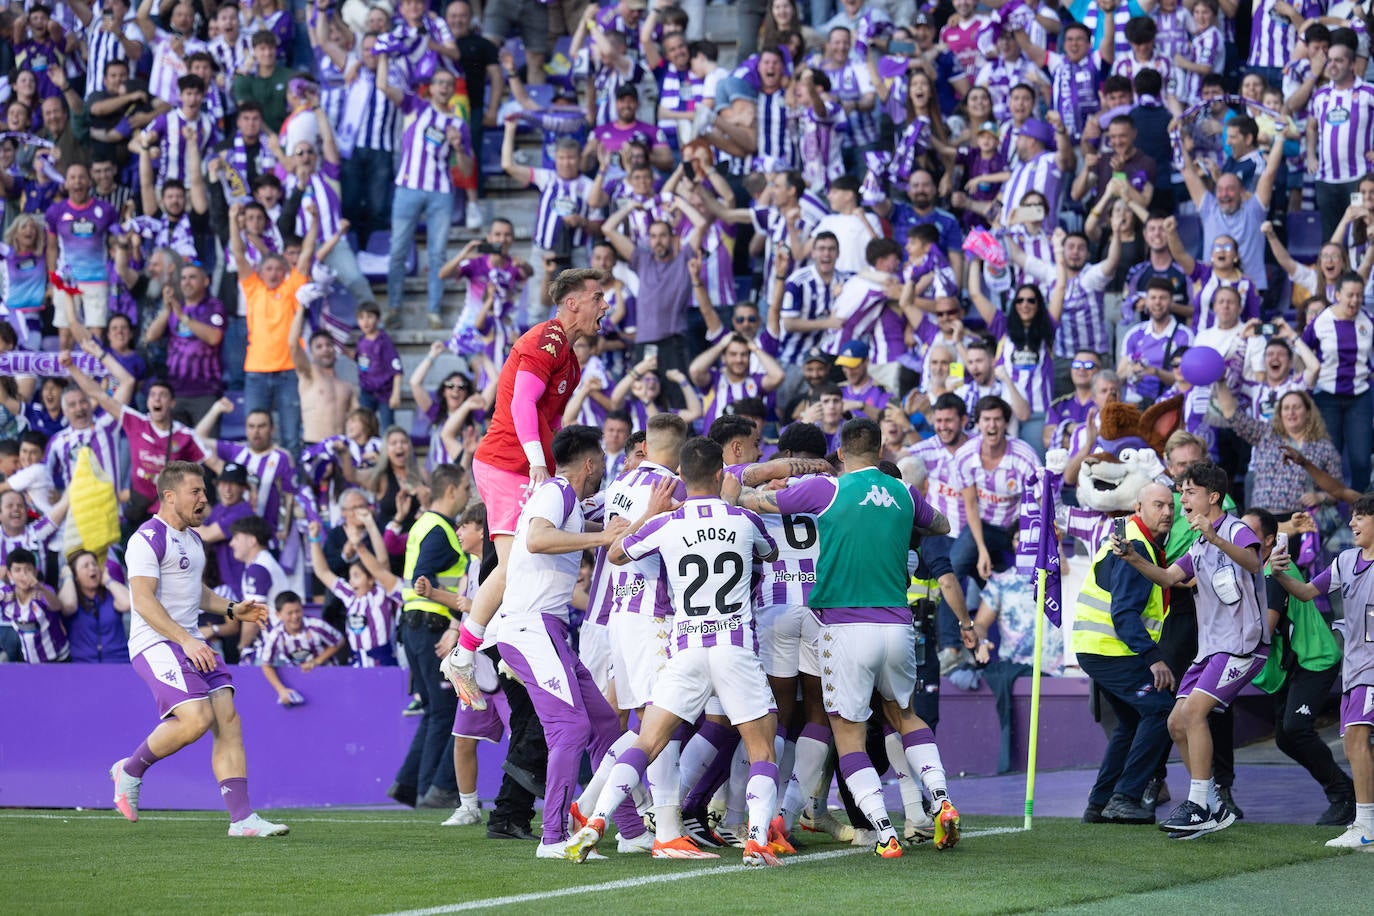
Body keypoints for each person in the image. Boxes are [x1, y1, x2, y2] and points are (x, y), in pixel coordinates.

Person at [739, 418, 972, 857]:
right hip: (898, 625)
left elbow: (762, 502)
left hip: (845, 626)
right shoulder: (903, 492)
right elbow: (940, 524)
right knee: (905, 716)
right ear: (881, 450)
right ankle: (940, 800)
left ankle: (883, 831)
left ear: (841, 453)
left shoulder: (829, 489)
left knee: (847, 732)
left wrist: (750, 490)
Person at [566, 435, 786, 867]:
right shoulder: (745, 521)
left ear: (681, 476)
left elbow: (614, 553)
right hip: (734, 647)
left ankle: (596, 821)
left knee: (647, 740)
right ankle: (757, 839)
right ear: (721, 473)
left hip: (685, 648)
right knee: (761, 749)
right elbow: (770, 553)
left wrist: (651, 516)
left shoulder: (666, 523)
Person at [447, 270, 609, 706]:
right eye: (597, 298)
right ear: (571, 302)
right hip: (507, 463)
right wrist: (540, 464)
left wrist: (556, 471)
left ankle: (494, 643)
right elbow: (521, 402)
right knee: (514, 563)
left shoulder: (570, 360)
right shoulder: (548, 339)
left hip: (522, 466)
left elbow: (551, 424)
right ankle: (466, 652)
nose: (604, 306)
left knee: (518, 563)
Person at [110, 461, 284, 836]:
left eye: (204, 492)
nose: (205, 499)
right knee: (197, 718)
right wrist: (186, 639)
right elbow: (142, 599)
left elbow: (196, 593)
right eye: (197, 492)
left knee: (228, 719)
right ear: (169, 496)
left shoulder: (192, 539)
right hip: (156, 643)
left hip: (190, 641)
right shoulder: (146, 539)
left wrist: (234, 609)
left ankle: (242, 820)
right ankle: (130, 769)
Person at [1113, 461, 1268, 839]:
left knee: (1194, 713)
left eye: (1189, 491)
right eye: (1181, 491)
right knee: (1175, 721)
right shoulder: (1197, 543)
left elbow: (1254, 561)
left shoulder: (1234, 530)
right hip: (1211, 649)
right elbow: (1168, 578)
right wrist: (1134, 557)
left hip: (1241, 646)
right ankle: (1211, 802)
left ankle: (1199, 803)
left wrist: (1215, 537)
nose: (1181, 498)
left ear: (1213, 497)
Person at [1270, 494, 1374, 848]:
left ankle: (1365, 826)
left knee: (1358, 740)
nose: (1352, 524)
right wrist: (1280, 573)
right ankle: (1366, 823)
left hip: (1371, 670)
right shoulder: (1346, 560)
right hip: (1356, 668)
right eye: (1353, 516)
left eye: (1360, 517)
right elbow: (1304, 592)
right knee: (1356, 744)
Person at [1243, 508, 1355, 827]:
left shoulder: (1272, 575)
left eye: (1249, 534)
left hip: (1315, 660)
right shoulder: (1263, 568)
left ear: (1267, 541)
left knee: (1295, 730)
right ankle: (1345, 792)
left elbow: (1264, 630)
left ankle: (1345, 795)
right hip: (1295, 663)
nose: (1240, 540)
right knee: (1284, 737)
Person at [1073, 483, 1177, 825]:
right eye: (1158, 505)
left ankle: (1099, 803)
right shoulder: (1138, 549)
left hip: (1099, 648)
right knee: (1161, 711)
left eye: (1170, 507)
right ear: (1139, 507)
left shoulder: (1134, 539)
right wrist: (1153, 657)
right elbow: (1124, 613)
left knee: (1131, 722)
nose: (1166, 512)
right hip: (1111, 649)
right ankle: (1124, 797)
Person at [391, 463, 470, 810]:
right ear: (451, 490)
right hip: (433, 626)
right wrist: (455, 621)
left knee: (433, 711)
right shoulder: (441, 530)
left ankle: (408, 784)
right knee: (444, 713)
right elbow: (424, 579)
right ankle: (431, 791)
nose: (468, 494)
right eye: (465, 488)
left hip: (414, 626)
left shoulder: (423, 524)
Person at [0, 548, 66, 663]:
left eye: (28, 569)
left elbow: (56, 606)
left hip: (57, 658)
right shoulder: (6, 593)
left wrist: (40, 587)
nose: (23, 575)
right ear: (9, 574)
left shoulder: (43, 591)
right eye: (17, 570)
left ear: (35, 572)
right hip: (30, 660)